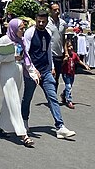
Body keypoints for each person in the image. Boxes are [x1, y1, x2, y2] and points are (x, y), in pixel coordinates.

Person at [21, 11, 76, 139]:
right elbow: (26, 53)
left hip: (46, 71)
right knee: (27, 97)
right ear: (35, 19)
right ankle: (24, 121)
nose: (41, 23)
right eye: (39, 21)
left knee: (52, 97)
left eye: (43, 21)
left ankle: (60, 126)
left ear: (47, 22)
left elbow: (48, 52)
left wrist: (51, 67)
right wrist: (32, 70)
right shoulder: (29, 33)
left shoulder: (48, 33)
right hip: (32, 72)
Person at [0, 18, 33, 148]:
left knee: (8, 101)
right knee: (14, 100)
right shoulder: (4, 40)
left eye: (23, 28)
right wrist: (11, 57)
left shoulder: (21, 41)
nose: (23, 30)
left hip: (17, 72)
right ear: (14, 28)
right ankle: (22, 134)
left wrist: (32, 72)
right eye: (21, 28)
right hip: (7, 72)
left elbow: (26, 58)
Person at [60, 38, 91, 109]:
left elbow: (79, 61)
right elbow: (60, 65)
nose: (70, 48)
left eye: (71, 46)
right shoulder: (64, 55)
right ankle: (69, 101)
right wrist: (64, 61)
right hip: (65, 73)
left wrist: (85, 65)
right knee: (68, 86)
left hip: (72, 73)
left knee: (69, 86)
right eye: (68, 46)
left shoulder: (74, 55)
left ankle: (63, 94)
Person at [47, 2, 68, 77]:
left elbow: (64, 39)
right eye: (55, 10)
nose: (57, 11)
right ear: (50, 11)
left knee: (57, 77)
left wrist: (66, 53)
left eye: (58, 9)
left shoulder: (63, 23)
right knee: (49, 77)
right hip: (49, 54)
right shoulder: (46, 22)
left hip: (59, 54)